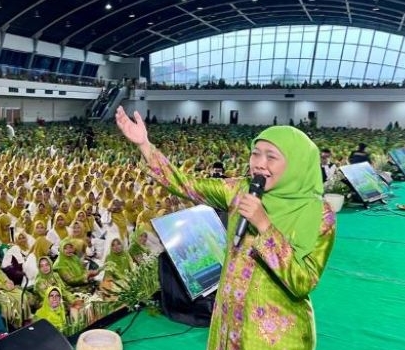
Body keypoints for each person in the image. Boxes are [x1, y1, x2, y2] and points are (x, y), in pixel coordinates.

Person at [115, 106, 335, 349]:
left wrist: (264, 225)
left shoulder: (319, 214)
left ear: (296, 163)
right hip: (229, 321)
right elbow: (186, 184)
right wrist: (144, 144)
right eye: (255, 154)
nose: (259, 164)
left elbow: (302, 282)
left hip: (274, 334)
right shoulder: (240, 190)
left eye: (271, 156)